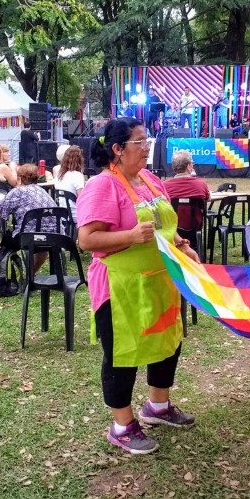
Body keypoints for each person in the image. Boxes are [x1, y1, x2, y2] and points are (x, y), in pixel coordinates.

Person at [76, 118, 198, 455]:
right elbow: (87, 239)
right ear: (117, 149)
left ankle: (158, 406)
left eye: (147, 141)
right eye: (139, 142)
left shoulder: (149, 179)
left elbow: (165, 226)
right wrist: (130, 236)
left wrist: (183, 246)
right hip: (121, 287)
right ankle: (122, 425)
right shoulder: (102, 186)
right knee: (122, 353)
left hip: (159, 281)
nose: (147, 148)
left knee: (167, 340)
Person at [163, 150, 211, 233]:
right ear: (189, 166)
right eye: (192, 163)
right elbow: (208, 199)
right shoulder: (200, 183)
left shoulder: (164, 186)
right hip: (195, 226)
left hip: (172, 227)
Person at [54, 145, 86, 219]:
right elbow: (81, 199)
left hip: (62, 214)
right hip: (75, 214)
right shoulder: (77, 175)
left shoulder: (59, 173)